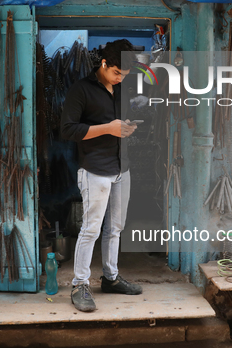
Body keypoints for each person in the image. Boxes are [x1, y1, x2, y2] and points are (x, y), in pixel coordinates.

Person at [60, 39, 142, 312]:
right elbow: (69, 131)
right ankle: (80, 284)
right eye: (116, 73)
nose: (119, 79)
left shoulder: (121, 89)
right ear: (104, 64)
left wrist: (126, 129)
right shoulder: (81, 89)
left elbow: (118, 126)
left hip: (121, 167)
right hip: (95, 168)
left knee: (115, 228)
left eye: (124, 76)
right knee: (91, 228)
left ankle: (110, 277)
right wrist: (108, 128)